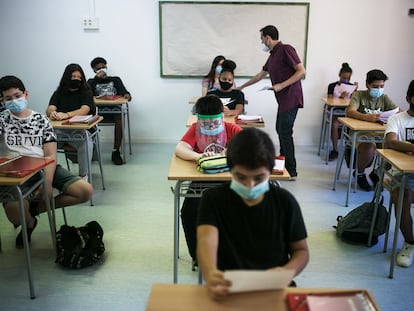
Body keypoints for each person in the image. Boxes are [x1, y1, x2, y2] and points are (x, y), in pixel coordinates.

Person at [197, 128, 309, 300]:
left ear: (271, 170)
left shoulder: (285, 202)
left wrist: (286, 271)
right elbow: (206, 242)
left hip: (275, 289)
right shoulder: (213, 199)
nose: (250, 185)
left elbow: (301, 251)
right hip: (228, 289)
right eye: (241, 177)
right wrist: (211, 272)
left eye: (258, 178)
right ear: (230, 169)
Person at [0, 75, 93, 248]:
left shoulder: (41, 120)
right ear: (2, 100)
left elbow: (50, 155)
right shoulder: (2, 120)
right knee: (14, 214)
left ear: (26, 94)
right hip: (15, 174)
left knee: (84, 191)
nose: (14, 100)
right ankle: (29, 222)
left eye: (18, 95)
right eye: (8, 98)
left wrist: (48, 183)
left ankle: (33, 211)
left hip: (43, 167)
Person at [175, 94, 242, 267]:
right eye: (206, 123)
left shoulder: (231, 129)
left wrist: (228, 153)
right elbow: (180, 148)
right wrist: (198, 156)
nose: (211, 126)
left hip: (230, 180)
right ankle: (198, 256)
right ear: (199, 120)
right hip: (202, 180)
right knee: (189, 212)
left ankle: (232, 253)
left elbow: (246, 148)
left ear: (222, 116)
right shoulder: (196, 128)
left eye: (215, 122)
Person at [238, 25, 306, 179]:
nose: (261, 42)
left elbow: (301, 71)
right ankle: (284, 165)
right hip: (283, 100)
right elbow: (259, 76)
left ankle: (291, 170)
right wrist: (241, 86)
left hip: (291, 97)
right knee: (281, 129)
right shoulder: (272, 56)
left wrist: (281, 85)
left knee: (284, 131)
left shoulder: (286, 49)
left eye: (261, 39)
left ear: (268, 38)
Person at [346, 69, 399, 191]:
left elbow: (397, 111)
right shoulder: (359, 95)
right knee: (369, 148)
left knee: (393, 148)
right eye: (375, 86)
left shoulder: (384, 98)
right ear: (367, 85)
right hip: (360, 133)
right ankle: (359, 173)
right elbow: (350, 111)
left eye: (382, 86)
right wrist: (366, 117)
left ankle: (377, 172)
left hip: (379, 133)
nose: (379, 89)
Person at [46, 63, 95, 181]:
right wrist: (52, 112)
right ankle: (47, 176)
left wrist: (66, 115)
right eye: (74, 77)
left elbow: (85, 110)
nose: (77, 80)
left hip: (77, 131)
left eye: (79, 77)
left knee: (85, 140)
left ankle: (83, 176)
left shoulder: (86, 92)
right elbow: (50, 107)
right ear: (67, 78)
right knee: (44, 140)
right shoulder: (59, 93)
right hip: (59, 131)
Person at [384, 80, 414, 267]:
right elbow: (391, 142)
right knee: (401, 195)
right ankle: (410, 242)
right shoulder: (397, 119)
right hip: (401, 174)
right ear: (409, 98)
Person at [87, 57, 132, 165]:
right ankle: (91, 150)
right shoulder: (91, 82)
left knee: (119, 115)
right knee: (88, 115)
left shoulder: (115, 80)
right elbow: (86, 95)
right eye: (99, 68)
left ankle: (116, 151)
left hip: (114, 111)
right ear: (94, 71)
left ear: (106, 67)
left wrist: (127, 95)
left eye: (104, 67)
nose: (102, 69)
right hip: (98, 111)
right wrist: (96, 78)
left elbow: (125, 93)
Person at [327, 63, 358, 161]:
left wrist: (355, 91)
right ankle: (335, 150)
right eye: (344, 78)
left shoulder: (351, 87)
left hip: (348, 112)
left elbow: (355, 103)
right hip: (335, 111)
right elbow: (329, 102)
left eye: (348, 79)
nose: (346, 81)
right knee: (335, 124)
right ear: (339, 75)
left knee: (354, 125)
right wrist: (340, 97)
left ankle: (350, 149)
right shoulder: (332, 86)